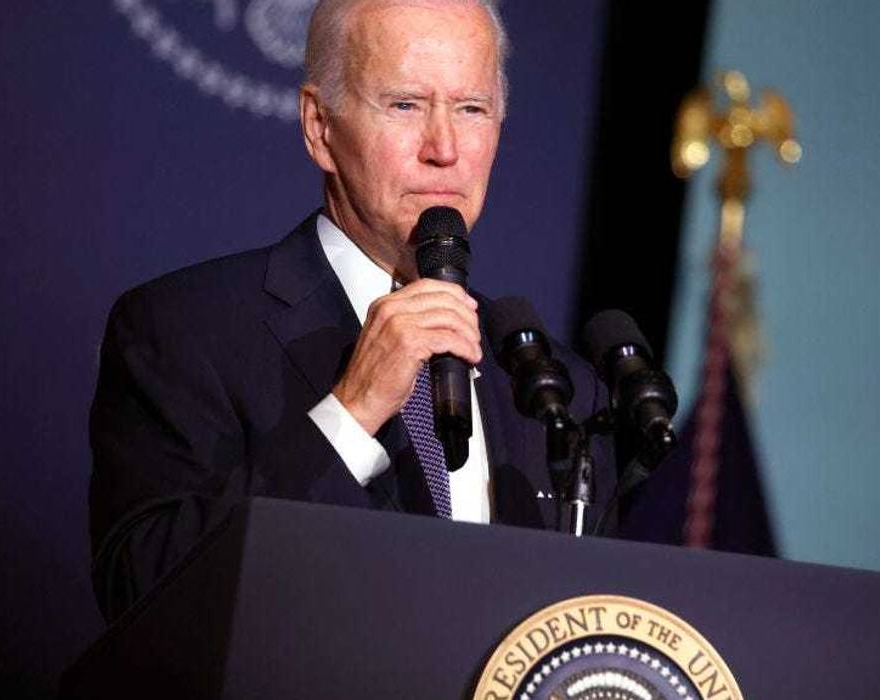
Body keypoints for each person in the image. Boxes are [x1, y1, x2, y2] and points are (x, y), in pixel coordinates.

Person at [88, 0, 617, 622]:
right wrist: (348, 415)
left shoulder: (561, 391)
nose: (444, 148)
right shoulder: (184, 329)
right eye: (405, 105)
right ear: (319, 126)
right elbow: (143, 593)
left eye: (472, 109)